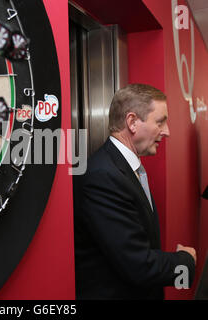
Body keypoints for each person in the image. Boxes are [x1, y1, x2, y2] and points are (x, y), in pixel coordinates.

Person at [74, 83, 196, 300]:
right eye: (160, 122)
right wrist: (186, 262)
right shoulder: (102, 176)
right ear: (131, 122)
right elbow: (138, 265)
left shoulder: (123, 166)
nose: (167, 132)